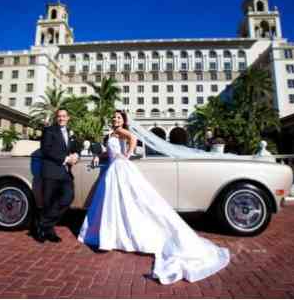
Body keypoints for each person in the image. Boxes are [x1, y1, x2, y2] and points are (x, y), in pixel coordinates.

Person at [78, 110, 230, 285]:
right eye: (114, 117)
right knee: (120, 204)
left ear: (123, 120)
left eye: (119, 117)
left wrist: (126, 155)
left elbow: (133, 140)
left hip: (120, 168)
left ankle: (114, 235)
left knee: (127, 202)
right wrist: (100, 155)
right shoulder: (112, 133)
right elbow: (110, 151)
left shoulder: (121, 131)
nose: (115, 119)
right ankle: (116, 234)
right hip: (115, 168)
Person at [35, 108, 79, 243]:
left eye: (64, 116)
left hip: (65, 173)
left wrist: (76, 154)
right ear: (56, 118)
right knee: (49, 203)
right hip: (51, 172)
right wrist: (65, 159)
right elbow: (46, 150)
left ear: (68, 117)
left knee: (68, 197)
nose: (61, 118)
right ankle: (49, 231)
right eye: (59, 116)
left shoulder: (71, 133)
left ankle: (42, 225)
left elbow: (75, 147)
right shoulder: (49, 131)